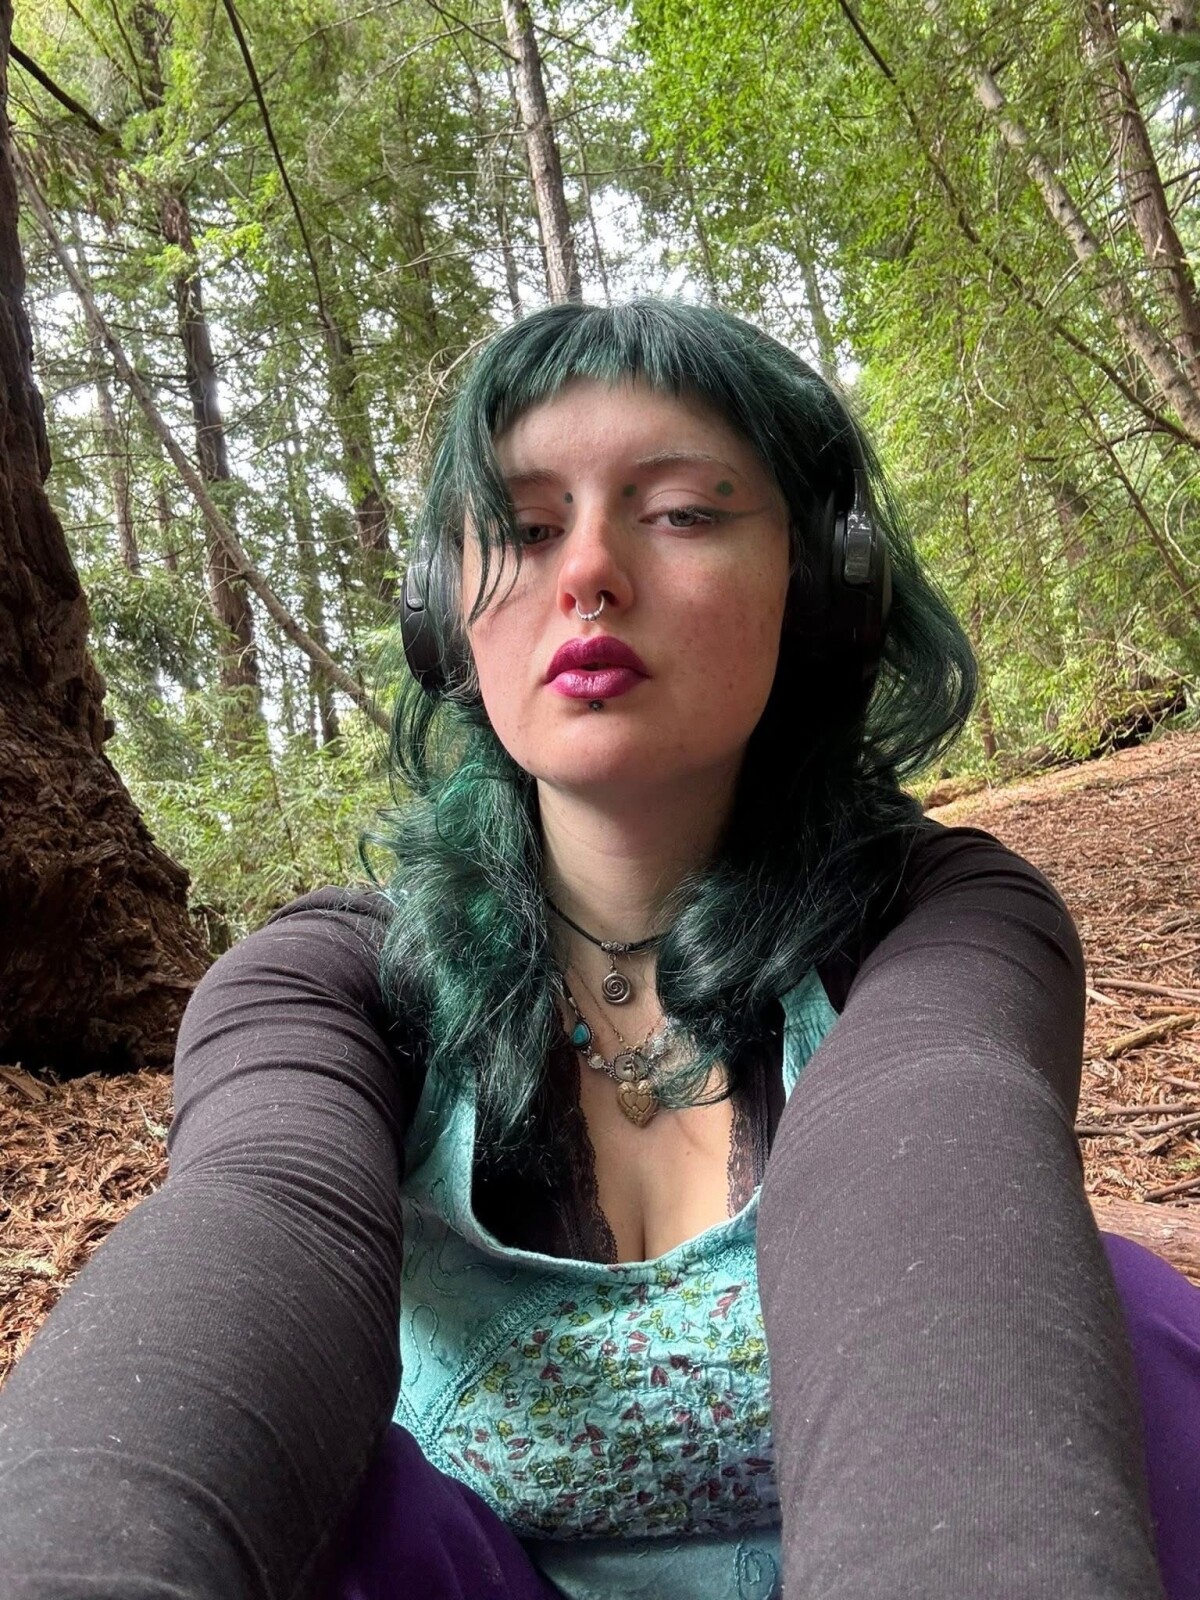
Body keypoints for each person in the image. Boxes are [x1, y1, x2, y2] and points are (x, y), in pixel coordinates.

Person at [1, 299, 1198, 1600]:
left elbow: (934, 1172)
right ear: (446, 614)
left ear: (819, 585)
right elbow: (250, 1239)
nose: (587, 574)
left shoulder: (941, 917)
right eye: (523, 529)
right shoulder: (330, 984)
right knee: (353, 1518)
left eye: (679, 512)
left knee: (1140, 1330)